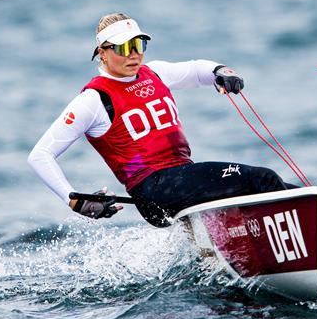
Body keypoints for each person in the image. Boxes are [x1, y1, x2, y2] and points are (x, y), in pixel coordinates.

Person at [28, 13, 289, 227]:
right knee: (263, 179)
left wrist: (221, 72)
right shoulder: (94, 99)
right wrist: (73, 200)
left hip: (180, 178)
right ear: (103, 53)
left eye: (138, 45)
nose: (133, 54)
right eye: (123, 48)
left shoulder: (155, 73)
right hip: (154, 188)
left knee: (284, 188)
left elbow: (198, 71)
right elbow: (40, 155)